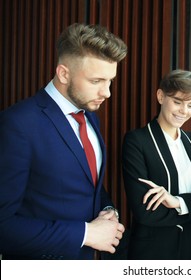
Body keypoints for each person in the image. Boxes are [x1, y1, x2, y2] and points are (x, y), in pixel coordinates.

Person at [0, 23, 127, 260]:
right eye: (96, 81)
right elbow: (3, 226)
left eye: (110, 81)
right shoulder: (17, 124)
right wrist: (85, 233)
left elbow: (88, 184)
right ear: (63, 73)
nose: (107, 92)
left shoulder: (90, 117)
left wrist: (108, 209)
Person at [122, 69, 191, 260]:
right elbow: (145, 211)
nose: (184, 111)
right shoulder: (137, 141)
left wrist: (177, 202)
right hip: (155, 253)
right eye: (177, 102)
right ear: (160, 96)